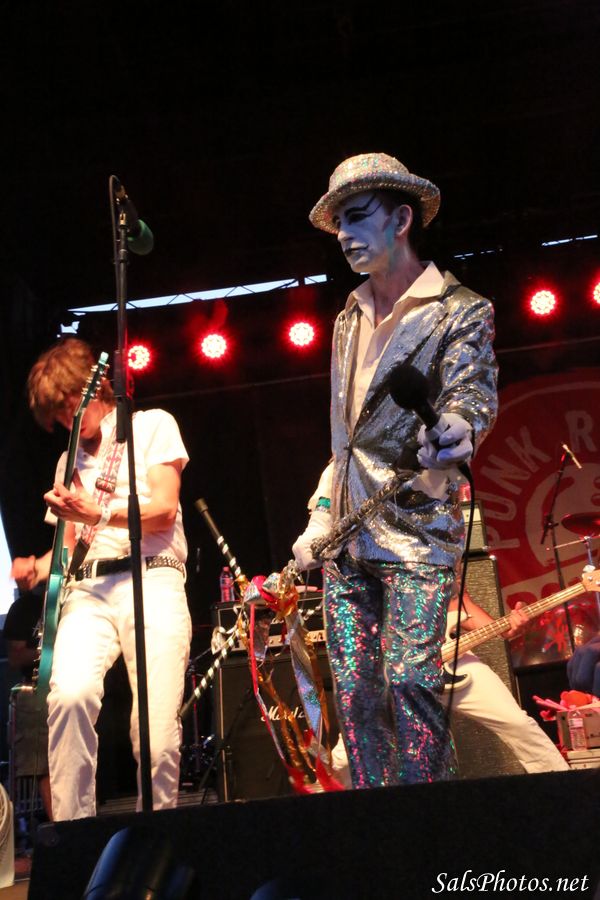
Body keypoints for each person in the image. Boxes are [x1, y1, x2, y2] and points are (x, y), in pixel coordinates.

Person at [292, 152, 498, 789]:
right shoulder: (347, 317)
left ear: (402, 219)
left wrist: (458, 427)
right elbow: (347, 441)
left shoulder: (459, 309)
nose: (345, 235)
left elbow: (471, 392)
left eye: (358, 217)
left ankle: (430, 827)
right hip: (350, 537)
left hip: (416, 526)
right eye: (339, 224)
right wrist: (321, 517)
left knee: (411, 679)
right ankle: (378, 831)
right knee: (356, 698)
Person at [10, 338, 192, 820]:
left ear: (93, 387)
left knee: (154, 732)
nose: (67, 420)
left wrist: (101, 512)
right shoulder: (66, 461)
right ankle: (75, 837)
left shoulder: (151, 425)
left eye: (70, 405)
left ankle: (157, 836)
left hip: (153, 576)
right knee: (68, 697)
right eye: (57, 414)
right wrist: (35, 567)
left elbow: (164, 509)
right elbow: (69, 549)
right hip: (89, 589)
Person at [443, 590, 569, 772]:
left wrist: (506, 627)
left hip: (447, 655)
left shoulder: (446, 569)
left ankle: (561, 785)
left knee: (517, 723)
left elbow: (460, 605)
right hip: (399, 665)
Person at [2, 589, 52, 819]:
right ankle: (60, 824)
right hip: (36, 687)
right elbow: (16, 657)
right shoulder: (22, 608)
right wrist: (52, 652)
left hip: (77, 680)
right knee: (44, 763)